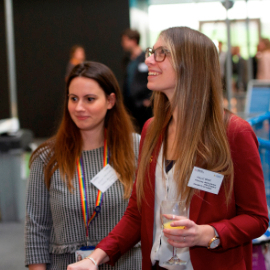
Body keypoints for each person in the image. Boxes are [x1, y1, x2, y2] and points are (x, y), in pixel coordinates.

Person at [67, 27, 269, 270]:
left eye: (162, 53)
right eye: (153, 51)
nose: (149, 59)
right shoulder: (152, 130)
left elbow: (257, 218)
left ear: (191, 64)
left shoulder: (234, 133)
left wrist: (206, 234)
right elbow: (137, 214)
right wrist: (95, 257)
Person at [24, 61, 142, 270]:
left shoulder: (136, 148)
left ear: (110, 100)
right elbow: (36, 229)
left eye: (89, 99)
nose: (79, 108)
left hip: (125, 263)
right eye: (73, 99)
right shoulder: (46, 157)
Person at [121, 28, 152, 132]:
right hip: (130, 105)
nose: (123, 44)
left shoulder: (146, 58)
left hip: (143, 106)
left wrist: (149, 99)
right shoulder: (127, 59)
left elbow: (151, 78)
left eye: (125, 41)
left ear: (133, 41)